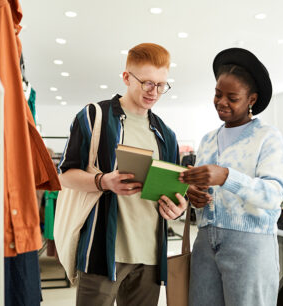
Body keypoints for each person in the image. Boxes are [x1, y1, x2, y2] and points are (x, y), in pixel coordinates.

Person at [58, 43, 188, 306]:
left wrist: (178, 207)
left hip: (150, 258)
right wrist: (103, 181)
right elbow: (65, 175)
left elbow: (172, 191)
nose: (155, 92)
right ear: (127, 77)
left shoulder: (167, 135)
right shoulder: (94, 116)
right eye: (148, 83)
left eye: (162, 85)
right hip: (102, 253)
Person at [180, 48, 283, 306]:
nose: (221, 102)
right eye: (217, 94)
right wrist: (192, 194)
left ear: (251, 99)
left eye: (232, 97)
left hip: (249, 246)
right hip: (205, 244)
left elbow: (274, 194)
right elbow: (203, 188)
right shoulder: (207, 140)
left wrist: (227, 176)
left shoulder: (268, 137)